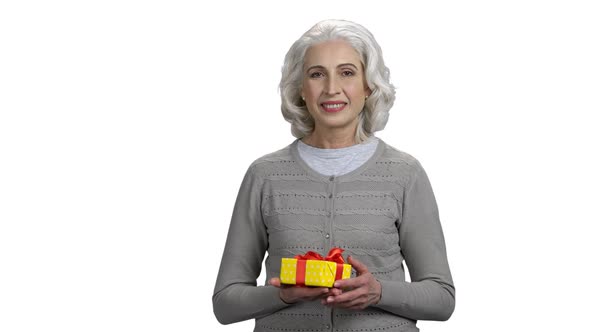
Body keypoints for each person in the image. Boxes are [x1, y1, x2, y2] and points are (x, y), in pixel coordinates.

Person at [212, 19, 455, 332]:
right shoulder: (265, 175)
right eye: (316, 74)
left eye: (347, 72)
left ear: (368, 85)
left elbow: (442, 298)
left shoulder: (404, 174)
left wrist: (378, 291)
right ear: (300, 88)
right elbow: (225, 303)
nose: (331, 88)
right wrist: (283, 296)